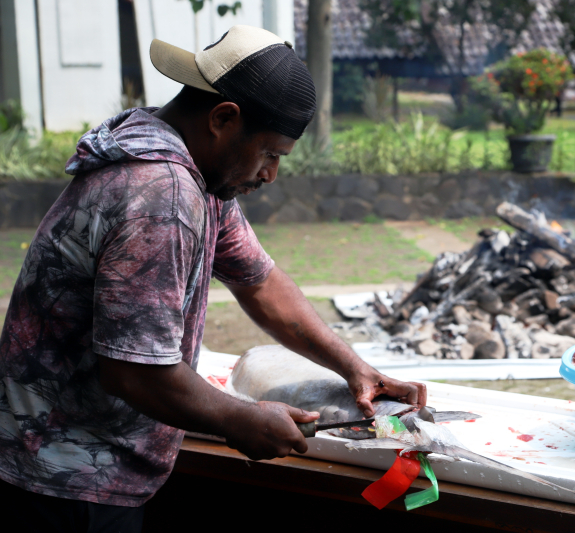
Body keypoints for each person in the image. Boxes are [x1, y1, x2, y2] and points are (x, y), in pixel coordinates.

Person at [0, 25, 426, 532]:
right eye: (270, 154)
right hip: (63, 480)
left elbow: (259, 282)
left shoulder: (195, 173)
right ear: (224, 119)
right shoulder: (159, 193)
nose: (270, 175)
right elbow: (133, 372)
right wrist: (238, 417)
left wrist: (355, 368)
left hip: (85, 463)